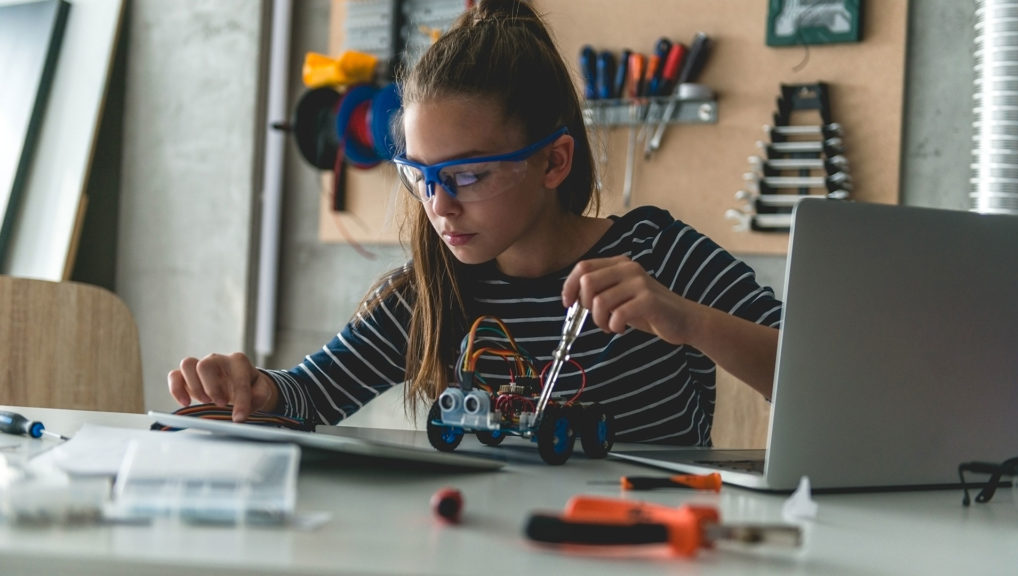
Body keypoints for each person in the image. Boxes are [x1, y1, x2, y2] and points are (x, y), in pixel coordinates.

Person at [167, 0, 781, 446]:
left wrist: (689, 321)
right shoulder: (437, 288)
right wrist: (252, 391)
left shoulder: (656, 253)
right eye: (420, 175)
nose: (439, 204)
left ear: (553, 161)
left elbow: (816, 378)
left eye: (468, 175)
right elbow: (310, 396)